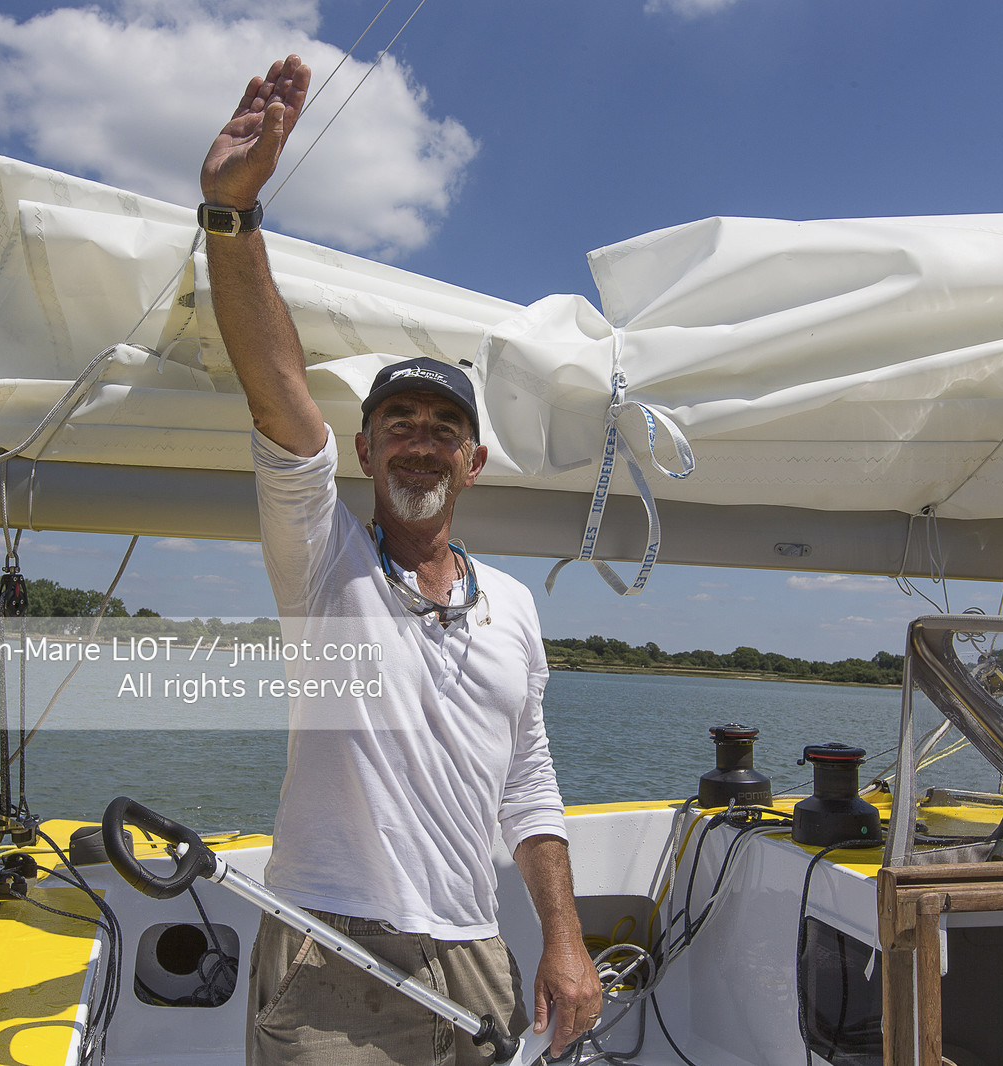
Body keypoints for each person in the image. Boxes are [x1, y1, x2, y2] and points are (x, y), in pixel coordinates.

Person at [198, 55, 602, 1065]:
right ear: (367, 450)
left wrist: (563, 937)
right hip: (332, 943)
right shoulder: (322, 564)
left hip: (474, 952)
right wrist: (229, 216)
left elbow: (529, 785)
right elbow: (277, 390)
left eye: (441, 426)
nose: (419, 439)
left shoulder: (509, 603)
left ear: (471, 461)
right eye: (397, 422)